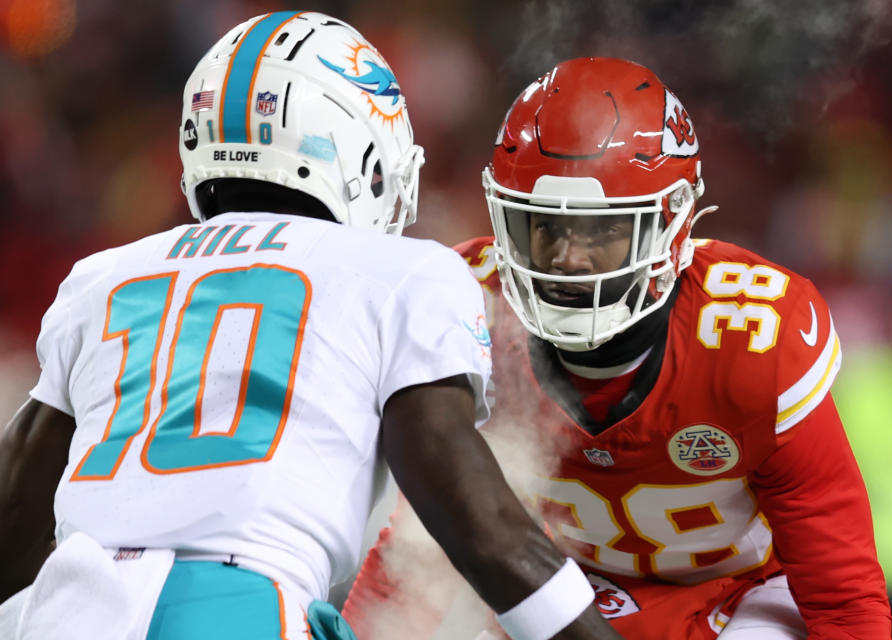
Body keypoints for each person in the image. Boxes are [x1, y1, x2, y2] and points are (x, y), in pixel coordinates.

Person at [0, 15, 621, 640]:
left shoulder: (102, 275)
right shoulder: (404, 273)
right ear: (354, 149)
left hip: (64, 610)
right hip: (238, 607)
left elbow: (15, 514)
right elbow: (477, 523)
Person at [342, 57, 892, 639]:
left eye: (601, 228)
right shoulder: (473, 310)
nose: (567, 259)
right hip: (571, 590)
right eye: (544, 226)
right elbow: (420, 553)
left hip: (741, 592)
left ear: (671, 223)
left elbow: (843, 598)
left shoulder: (750, 341)